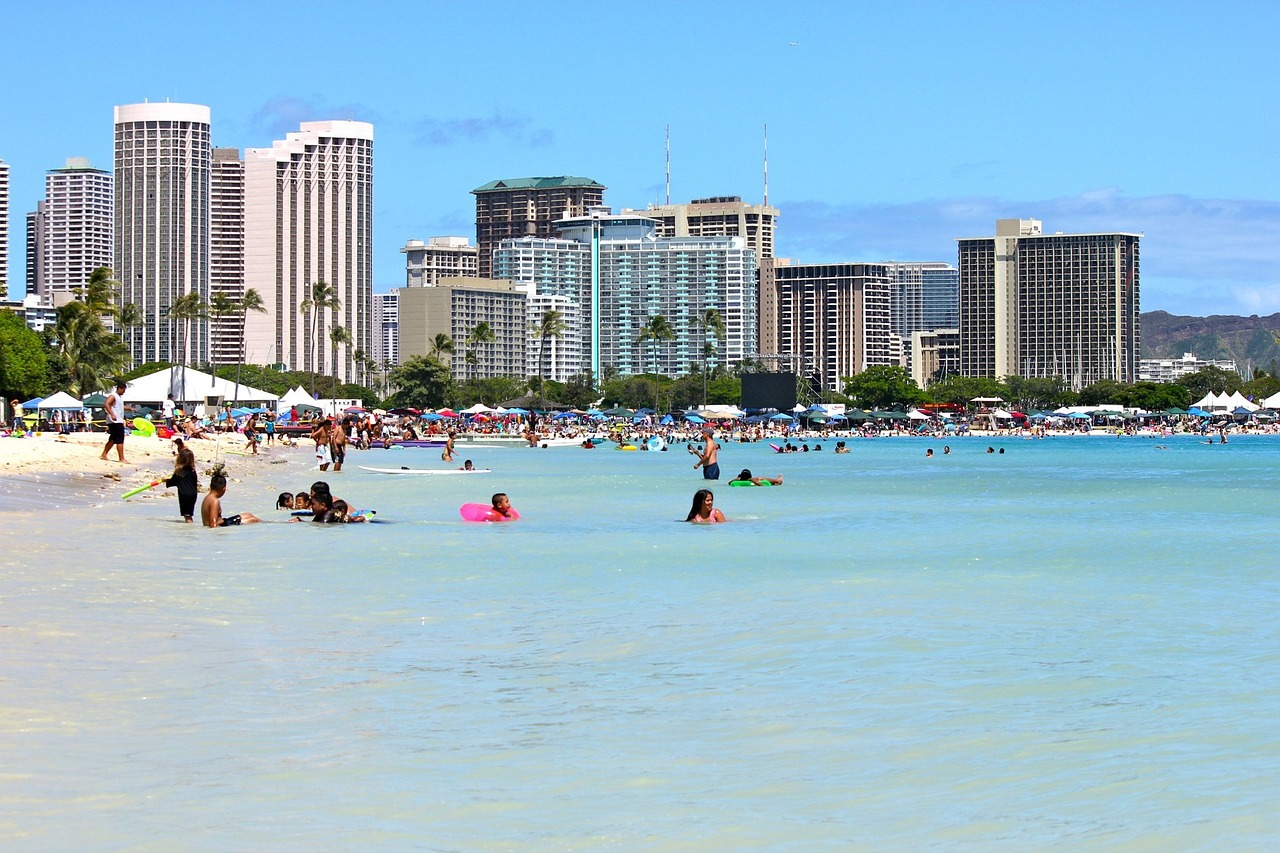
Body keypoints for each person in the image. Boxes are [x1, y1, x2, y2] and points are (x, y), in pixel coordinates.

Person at [166, 439, 199, 523]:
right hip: (193, 494)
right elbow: (194, 482)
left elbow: (173, 481)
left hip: (184, 495)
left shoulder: (179, 471)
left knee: (186, 515)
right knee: (189, 514)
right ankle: (190, 527)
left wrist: (166, 481)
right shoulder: (193, 471)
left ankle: (187, 530)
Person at [99, 381, 129, 463]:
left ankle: (104, 455)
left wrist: (129, 408)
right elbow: (106, 404)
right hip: (115, 421)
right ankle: (121, 458)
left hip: (116, 420)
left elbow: (119, 407)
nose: (124, 392)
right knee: (120, 439)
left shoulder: (119, 398)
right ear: (119, 388)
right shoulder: (113, 396)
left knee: (112, 439)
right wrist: (111, 414)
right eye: (123, 390)